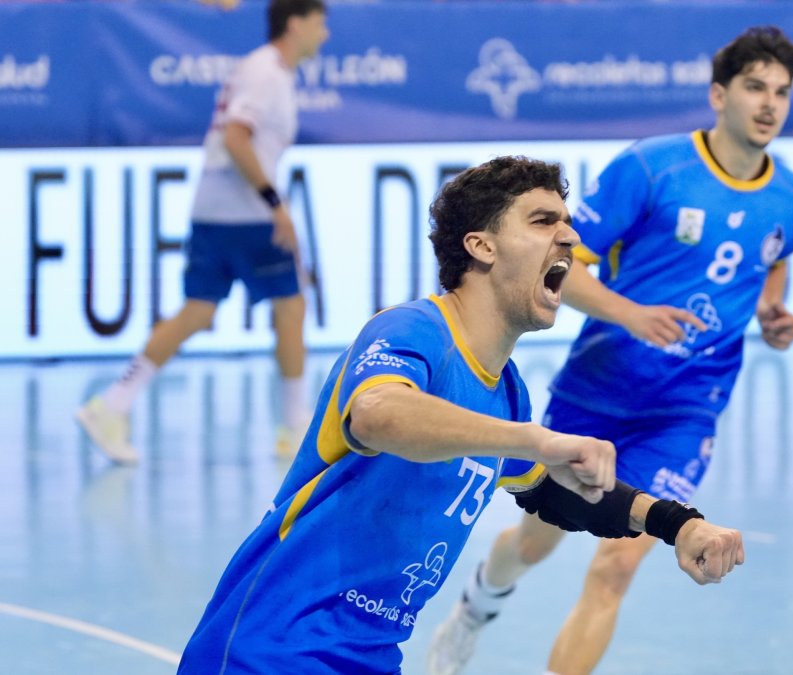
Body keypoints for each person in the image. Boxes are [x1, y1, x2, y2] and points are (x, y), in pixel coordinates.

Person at [175, 156, 746, 674]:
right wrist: (533, 440)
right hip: (271, 649)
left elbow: (558, 491)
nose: (570, 236)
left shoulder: (508, 392)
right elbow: (378, 414)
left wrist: (677, 523)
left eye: (567, 223)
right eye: (543, 221)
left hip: (368, 656)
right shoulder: (414, 330)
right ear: (482, 246)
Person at [427, 26, 793, 675]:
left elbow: (774, 257)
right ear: (719, 95)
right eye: (755, 87)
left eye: (781, 91)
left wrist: (773, 310)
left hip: (687, 408)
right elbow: (560, 261)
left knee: (617, 564)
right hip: (600, 387)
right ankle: (475, 609)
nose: (769, 104)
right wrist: (630, 314)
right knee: (537, 538)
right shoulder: (652, 168)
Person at [74, 0, 329, 463]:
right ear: (296, 24)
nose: (324, 34)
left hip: (212, 209)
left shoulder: (263, 69)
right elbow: (236, 137)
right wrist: (274, 203)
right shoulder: (267, 72)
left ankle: (112, 404)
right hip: (247, 215)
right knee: (291, 307)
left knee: (197, 311)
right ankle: (295, 428)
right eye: (319, 23)